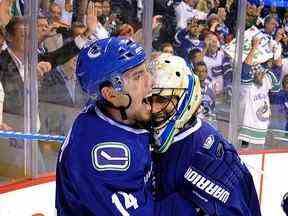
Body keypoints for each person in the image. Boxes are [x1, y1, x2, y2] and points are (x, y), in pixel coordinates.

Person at [148, 53, 261, 215]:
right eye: (148, 99)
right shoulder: (168, 137)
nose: (153, 108)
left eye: (161, 99)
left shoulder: (209, 154)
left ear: (185, 99)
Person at [56, 37, 154, 215]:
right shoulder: (101, 155)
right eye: (138, 76)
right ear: (110, 94)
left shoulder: (110, 111)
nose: (151, 81)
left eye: (146, 71)